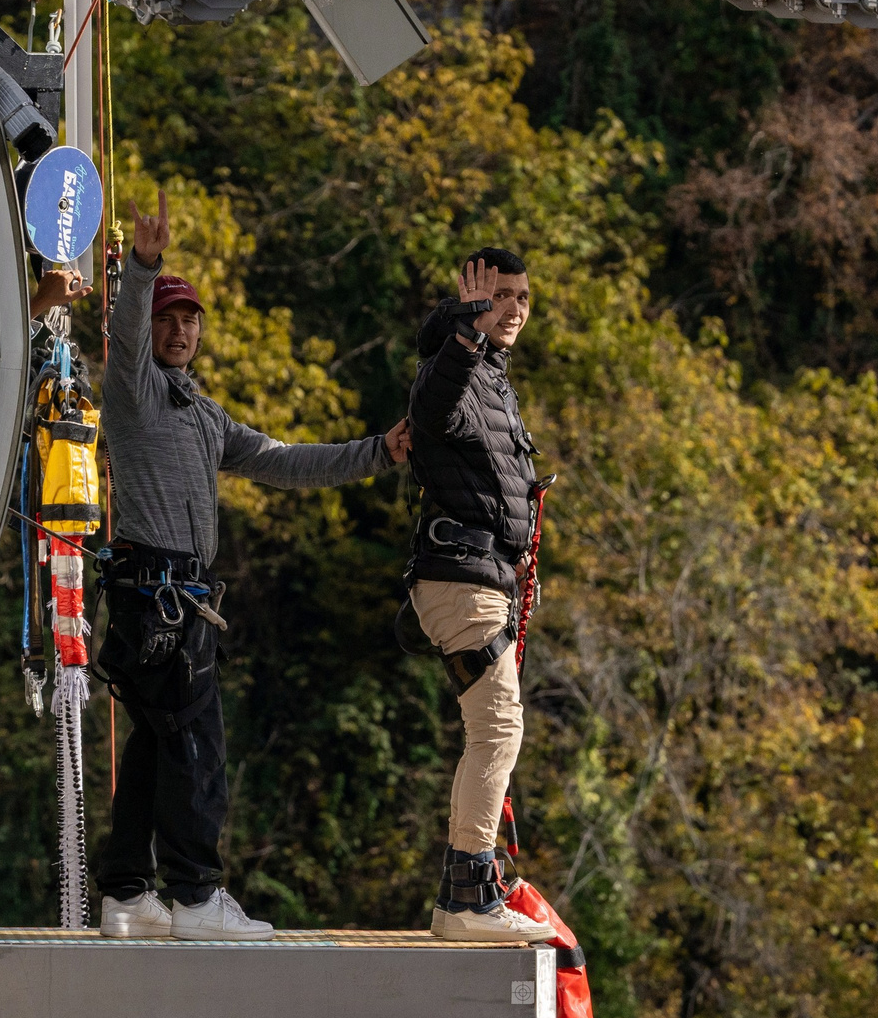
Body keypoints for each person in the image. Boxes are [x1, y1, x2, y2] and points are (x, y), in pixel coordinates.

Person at [97, 187, 412, 941]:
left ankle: (125, 894)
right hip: (158, 597)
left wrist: (380, 451)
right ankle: (198, 898)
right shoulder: (133, 393)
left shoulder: (203, 416)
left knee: (152, 747)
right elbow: (127, 337)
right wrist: (144, 268)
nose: (177, 330)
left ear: (201, 333)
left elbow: (283, 460)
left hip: (168, 600)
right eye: (167, 318)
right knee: (197, 745)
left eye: (188, 319)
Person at [404, 248, 556, 943]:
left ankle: (461, 895)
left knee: (494, 727)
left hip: (481, 579)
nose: (516, 308)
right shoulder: (456, 366)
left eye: (524, 297)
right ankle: (469, 894)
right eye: (503, 296)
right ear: (474, 300)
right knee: (497, 728)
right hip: (459, 580)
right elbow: (431, 407)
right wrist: (466, 330)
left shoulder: (492, 379)